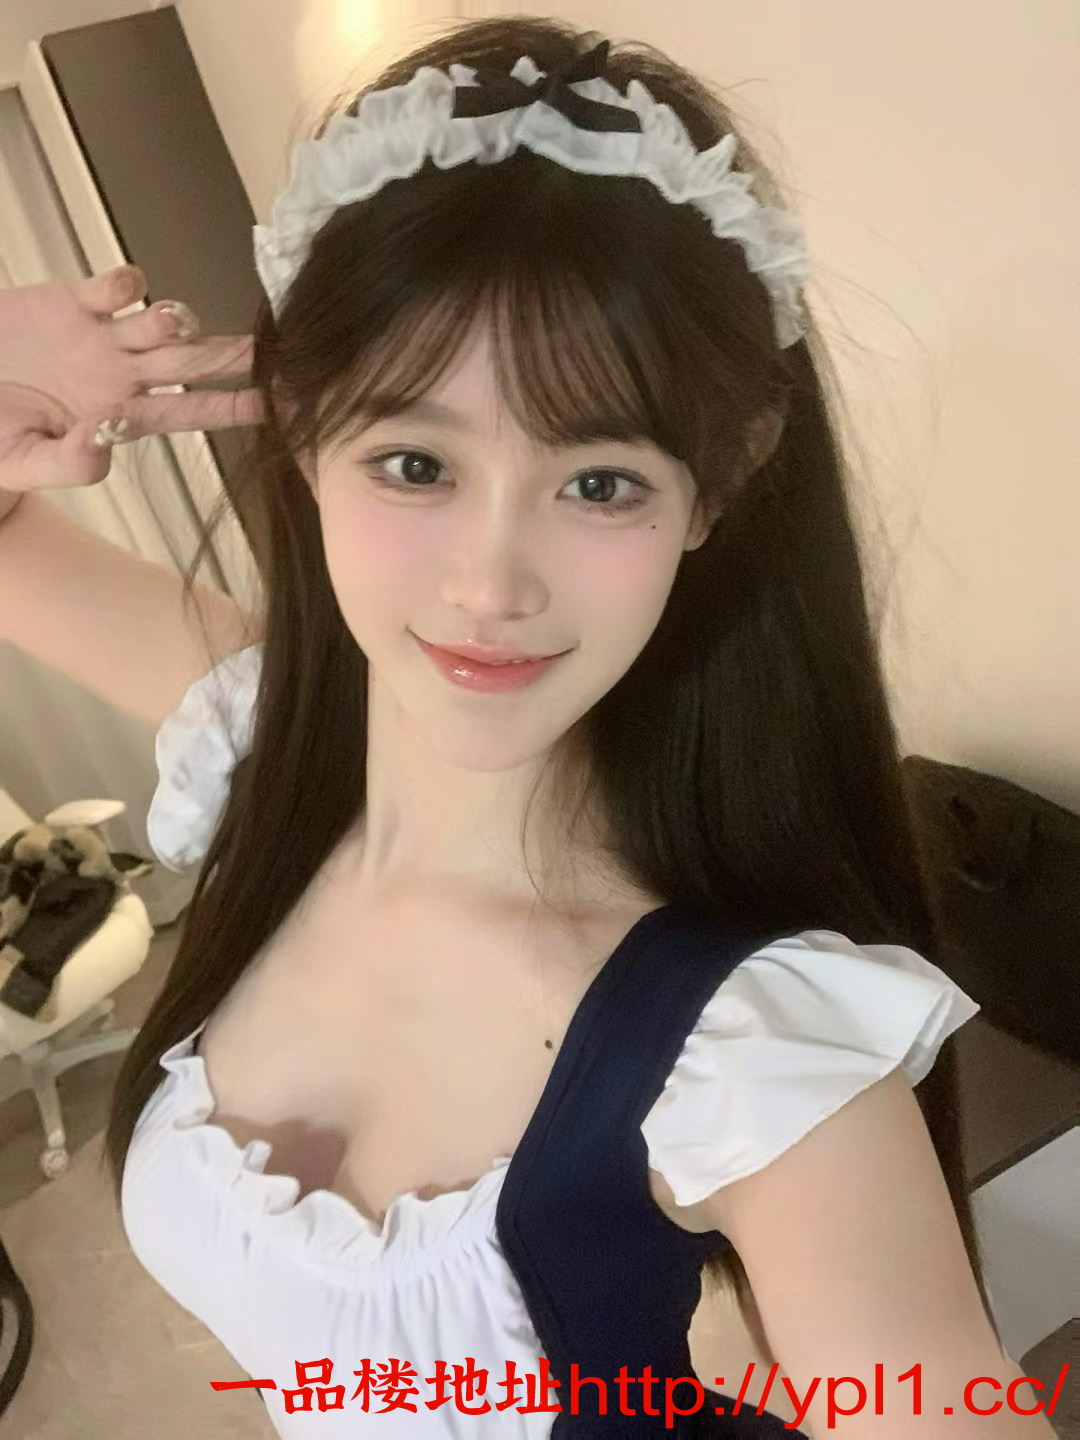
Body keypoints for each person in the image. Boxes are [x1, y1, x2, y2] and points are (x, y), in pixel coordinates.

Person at [0, 15, 1053, 1439]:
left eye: (601, 482)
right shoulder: (266, 742)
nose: (490, 586)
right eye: (415, 462)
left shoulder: (745, 1056)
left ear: (719, 483)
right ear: (300, 430)